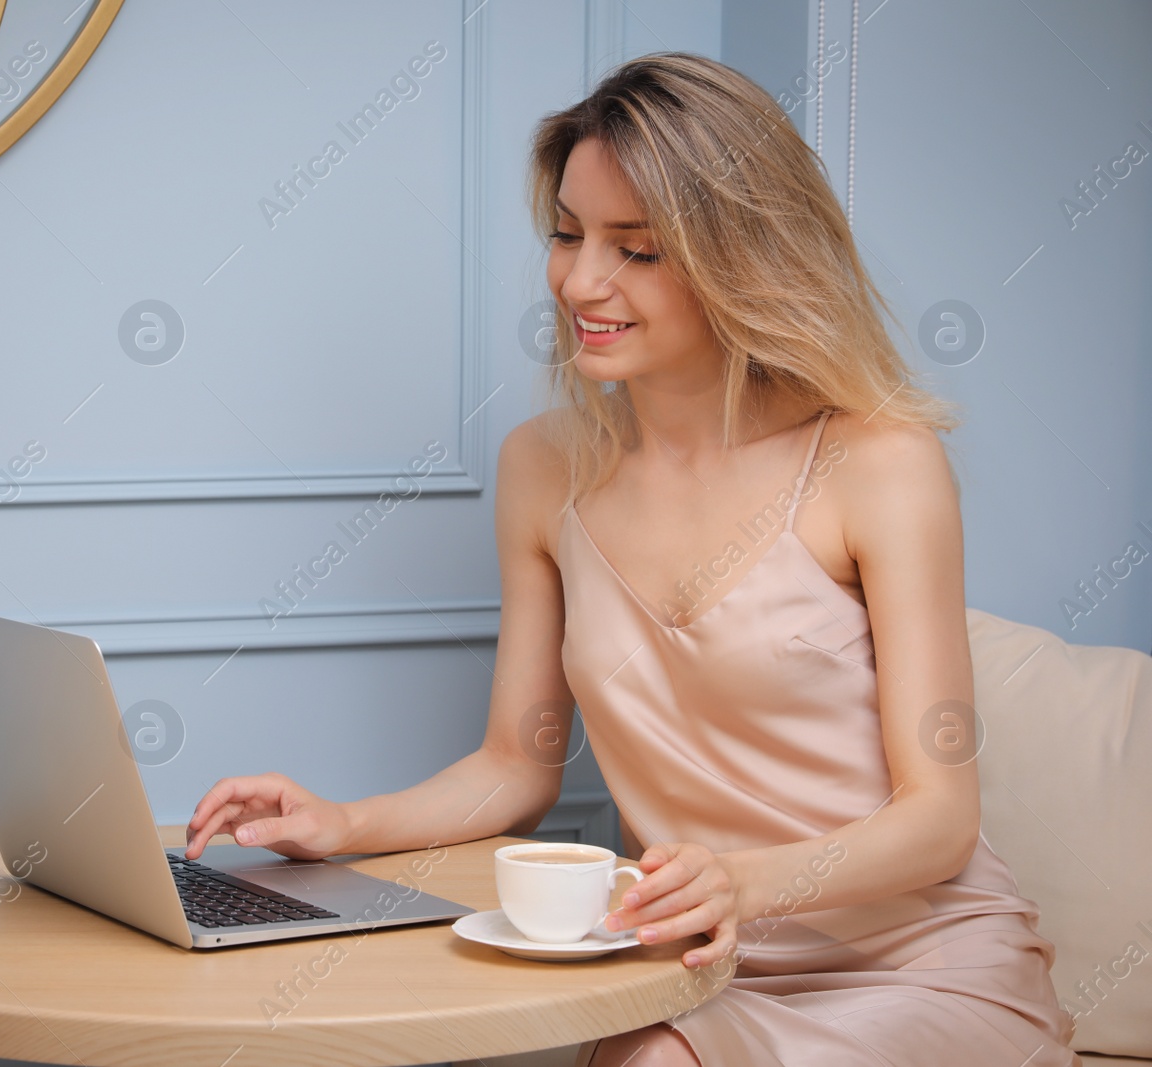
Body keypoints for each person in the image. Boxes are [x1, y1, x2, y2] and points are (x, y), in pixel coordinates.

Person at [184, 52, 1079, 1066]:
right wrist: (342, 821)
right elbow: (514, 764)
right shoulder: (542, 468)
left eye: (637, 250)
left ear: (741, 255)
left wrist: (741, 879)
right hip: (694, 957)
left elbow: (939, 820)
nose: (579, 279)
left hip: (922, 967)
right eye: (566, 234)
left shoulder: (877, 463)